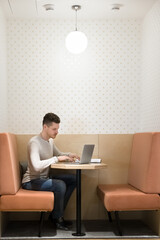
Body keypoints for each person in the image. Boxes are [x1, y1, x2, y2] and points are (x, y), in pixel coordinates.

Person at [22, 112, 79, 230]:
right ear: (45, 127)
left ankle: (55, 215)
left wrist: (69, 155)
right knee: (60, 185)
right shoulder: (34, 143)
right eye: (54, 129)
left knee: (74, 179)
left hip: (44, 178)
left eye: (57, 129)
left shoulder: (50, 141)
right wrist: (56, 159)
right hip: (31, 181)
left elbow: (58, 154)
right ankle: (58, 219)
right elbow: (36, 166)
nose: (57, 132)